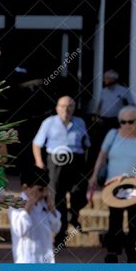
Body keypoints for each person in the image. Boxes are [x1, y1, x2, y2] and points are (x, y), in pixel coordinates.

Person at [89, 106, 136, 263]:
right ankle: (113, 252)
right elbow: (102, 156)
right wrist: (95, 176)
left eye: (130, 122)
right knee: (115, 221)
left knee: (135, 223)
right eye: (123, 122)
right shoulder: (113, 135)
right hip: (114, 186)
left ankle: (133, 253)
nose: (127, 125)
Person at [32, 96, 90, 245]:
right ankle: (61, 235)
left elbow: (86, 143)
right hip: (55, 160)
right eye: (63, 106)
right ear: (57, 108)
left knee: (79, 191)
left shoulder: (80, 122)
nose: (66, 109)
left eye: (70, 106)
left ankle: (73, 214)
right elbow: (37, 143)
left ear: (74, 108)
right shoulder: (49, 123)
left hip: (75, 160)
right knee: (58, 197)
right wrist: (39, 161)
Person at [8, 166, 61, 263]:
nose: (43, 194)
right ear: (25, 187)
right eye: (40, 190)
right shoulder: (16, 206)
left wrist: (50, 207)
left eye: (45, 189)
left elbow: (55, 228)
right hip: (27, 260)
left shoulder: (44, 204)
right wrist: (30, 204)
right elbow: (21, 231)